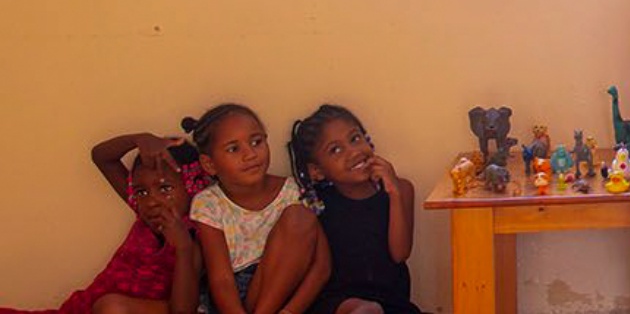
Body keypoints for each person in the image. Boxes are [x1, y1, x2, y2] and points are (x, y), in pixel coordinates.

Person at [0, 132, 209, 314]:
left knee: (111, 307)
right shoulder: (143, 215)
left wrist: (183, 246)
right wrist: (138, 139)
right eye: (141, 192)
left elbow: (182, 310)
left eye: (165, 189)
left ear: (193, 187)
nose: (152, 201)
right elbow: (101, 157)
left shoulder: (194, 240)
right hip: (82, 308)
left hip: (121, 309)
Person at [183, 104, 330, 314]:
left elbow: (321, 266)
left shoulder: (294, 190)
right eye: (234, 149)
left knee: (299, 216)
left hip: (288, 289)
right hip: (235, 298)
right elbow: (222, 280)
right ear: (209, 164)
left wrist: (290, 312)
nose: (250, 154)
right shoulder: (208, 203)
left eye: (256, 142)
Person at [287, 105, 418, 314]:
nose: (354, 151)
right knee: (364, 310)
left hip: (390, 302)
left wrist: (394, 192)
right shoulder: (317, 205)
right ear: (317, 171)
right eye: (335, 150)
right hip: (337, 303)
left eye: (355, 138)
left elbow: (400, 254)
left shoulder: (401, 189)